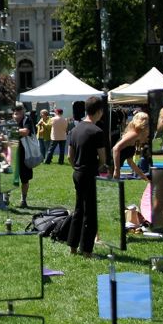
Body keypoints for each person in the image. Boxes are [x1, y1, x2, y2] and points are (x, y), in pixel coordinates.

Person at [66, 96, 107, 258]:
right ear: (98, 111)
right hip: (89, 173)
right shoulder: (97, 131)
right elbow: (103, 159)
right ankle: (87, 250)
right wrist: (95, 168)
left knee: (78, 210)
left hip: (77, 172)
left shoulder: (74, 130)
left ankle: (73, 246)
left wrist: (77, 168)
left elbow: (70, 156)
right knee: (90, 212)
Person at [111, 112, 149, 180]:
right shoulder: (134, 135)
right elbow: (115, 149)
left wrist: (144, 178)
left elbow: (130, 162)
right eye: (145, 121)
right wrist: (116, 169)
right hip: (111, 168)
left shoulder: (135, 136)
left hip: (114, 168)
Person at [13, 104, 35, 208]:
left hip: (25, 155)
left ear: (23, 111)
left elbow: (26, 132)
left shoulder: (27, 120)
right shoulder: (10, 119)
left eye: (18, 111)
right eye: (15, 112)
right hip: (12, 153)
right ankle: (5, 199)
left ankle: (23, 200)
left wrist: (11, 130)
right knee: (8, 177)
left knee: (25, 179)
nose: (16, 114)